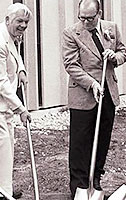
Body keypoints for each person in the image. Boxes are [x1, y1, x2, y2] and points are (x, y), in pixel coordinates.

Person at [62, 0, 126, 198]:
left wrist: (115, 56)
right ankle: (79, 187)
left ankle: (95, 181)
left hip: (108, 91)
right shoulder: (71, 33)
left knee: (102, 139)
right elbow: (71, 64)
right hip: (83, 94)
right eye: (81, 18)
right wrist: (92, 83)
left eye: (90, 18)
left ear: (99, 13)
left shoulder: (111, 28)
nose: (85, 22)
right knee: (80, 142)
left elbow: (123, 52)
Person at [0, 3, 32, 199]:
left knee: (6, 149)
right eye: (19, 21)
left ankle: (4, 189)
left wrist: (21, 69)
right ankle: (3, 192)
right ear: (7, 20)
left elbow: (16, 54)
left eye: (26, 22)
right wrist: (21, 108)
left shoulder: (10, 35)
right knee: (4, 148)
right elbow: (1, 81)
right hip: (1, 103)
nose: (23, 25)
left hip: (5, 105)